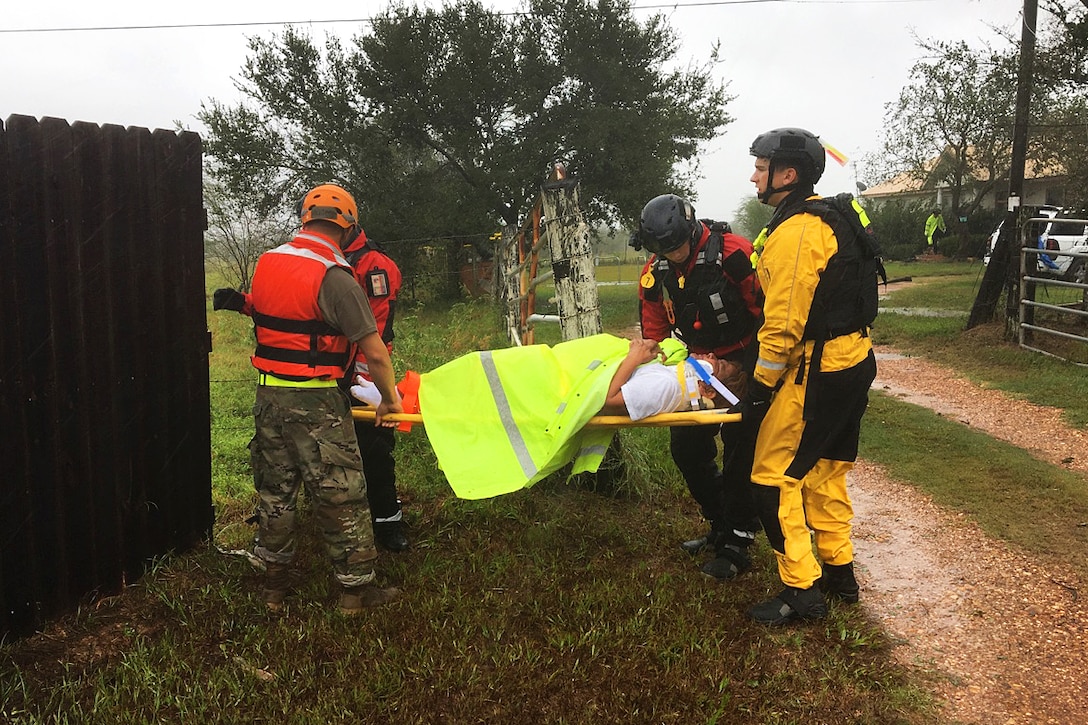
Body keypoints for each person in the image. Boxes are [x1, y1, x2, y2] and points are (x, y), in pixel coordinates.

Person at [243, 183, 403, 614]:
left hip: (269, 393)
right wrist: (389, 401)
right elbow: (374, 350)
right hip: (317, 402)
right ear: (349, 225)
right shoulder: (335, 274)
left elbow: (270, 313)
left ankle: (273, 588)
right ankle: (356, 592)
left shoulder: (267, 261)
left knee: (276, 491)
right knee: (342, 493)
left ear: (303, 218)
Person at [741, 127, 878, 625]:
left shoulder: (798, 232)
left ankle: (801, 589)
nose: (754, 176)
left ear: (787, 174)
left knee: (772, 477)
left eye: (761, 167)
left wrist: (758, 392)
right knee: (824, 470)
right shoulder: (831, 214)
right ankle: (840, 572)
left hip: (818, 370)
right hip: (854, 359)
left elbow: (781, 328)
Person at [214, 218, 410, 554]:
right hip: (319, 375)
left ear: (347, 228)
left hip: (360, 371)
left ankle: (386, 522)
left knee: (373, 449)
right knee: (312, 457)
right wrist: (245, 303)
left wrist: (366, 384)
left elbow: (375, 332)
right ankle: (318, 524)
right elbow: (295, 308)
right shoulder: (308, 259)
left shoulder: (374, 266)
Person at [411, 333, 742, 501]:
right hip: (559, 375)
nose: (712, 356)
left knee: (484, 372)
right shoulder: (672, 379)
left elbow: (610, 401)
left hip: (557, 392)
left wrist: (634, 356)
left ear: (710, 390)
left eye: (721, 364)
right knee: (484, 370)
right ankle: (409, 392)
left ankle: (410, 396)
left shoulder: (664, 390)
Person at [636, 193, 764, 581]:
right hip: (696, 368)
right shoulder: (655, 271)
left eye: (675, 246)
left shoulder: (734, 254)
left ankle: (738, 540)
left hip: (745, 360)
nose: (671, 254)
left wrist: (752, 370)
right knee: (687, 449)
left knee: (741, 454)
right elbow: (655, 328)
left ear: (691, 229)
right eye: (662, 248)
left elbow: (769, 310)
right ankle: (719, 522)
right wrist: (660, 365)